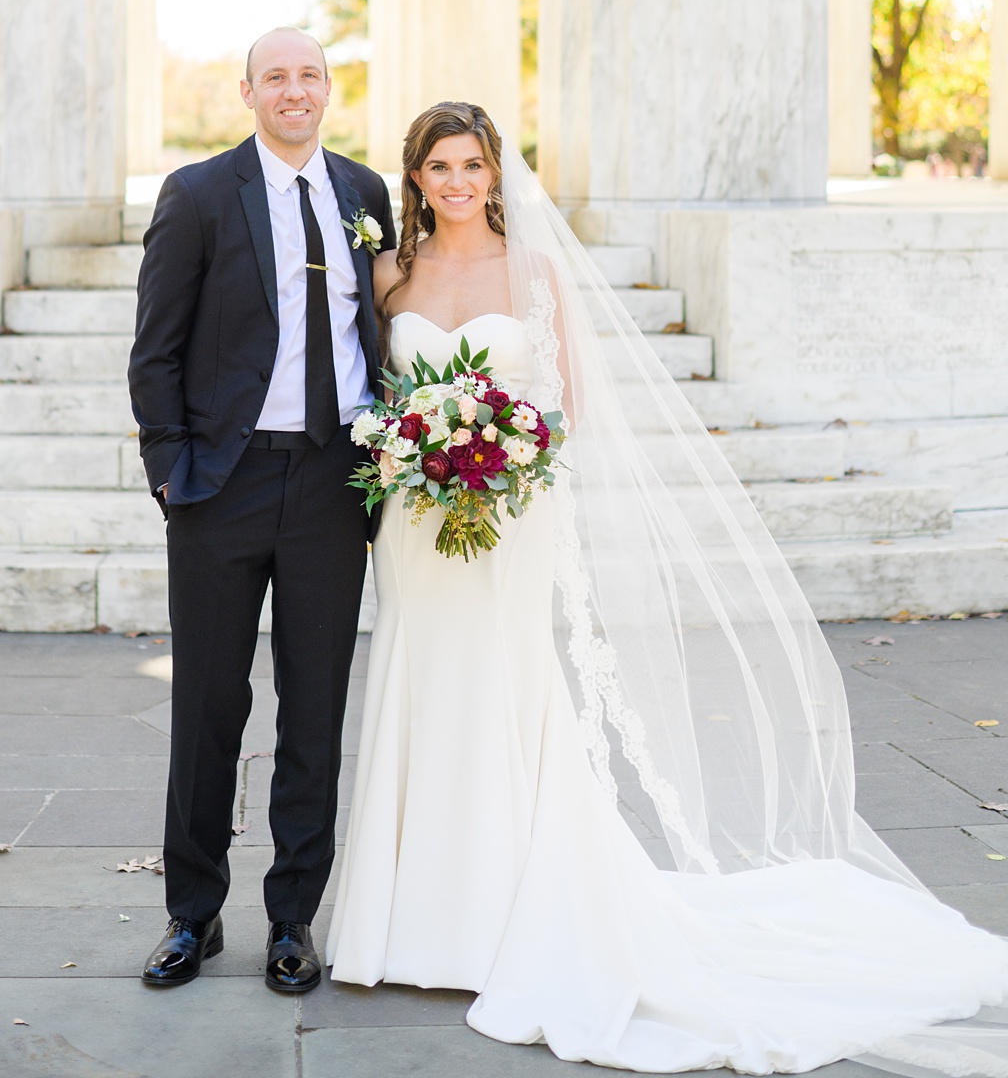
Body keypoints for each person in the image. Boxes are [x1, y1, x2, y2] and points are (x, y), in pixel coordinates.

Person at [328, 101, 1008, 1073]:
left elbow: (571, 413)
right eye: (439, 166)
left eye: (472, 164)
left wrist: (500, 461)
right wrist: (414, 448)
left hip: (509, 517)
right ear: (415, 176)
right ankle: (402, 925)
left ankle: (497, 921)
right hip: (413, 526)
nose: (456, 182)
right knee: (416, 689)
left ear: (495, 173)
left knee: (503, 694)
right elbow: (372, 396)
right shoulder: (392, 274)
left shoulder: (535, 273)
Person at [126, 27, 393, 994]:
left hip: (332, 482)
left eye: (309, 75)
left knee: (314, 709)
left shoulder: (363, 196)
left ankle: (292, 920)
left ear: (328, 90)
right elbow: (155, 347)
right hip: (222, 486)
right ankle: (191, 918)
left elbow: (382, 330)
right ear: (247, 92)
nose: (294, 90)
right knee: (208, 706)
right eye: (275, 76)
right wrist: (171, 472)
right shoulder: (199, 195)